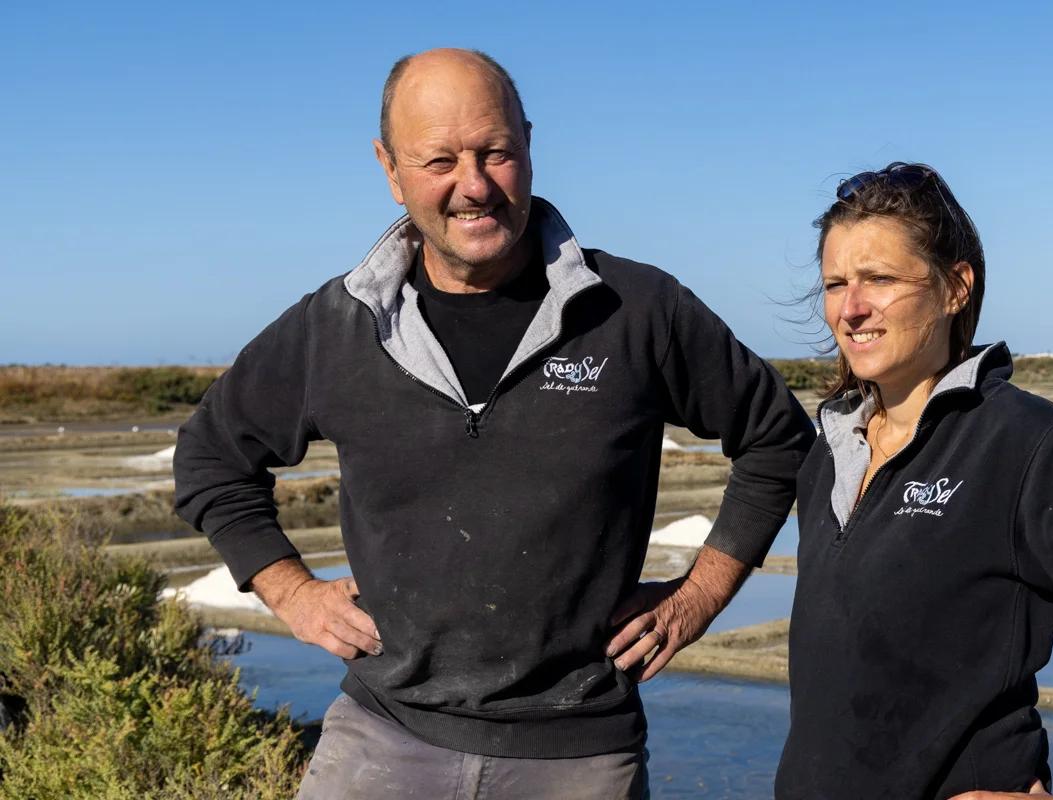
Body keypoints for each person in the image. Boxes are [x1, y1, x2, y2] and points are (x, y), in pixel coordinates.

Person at [173, 48, 815, 798]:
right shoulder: (337, 326)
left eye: (495, 152)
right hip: (380, 739)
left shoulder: (635, 311)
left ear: (529, 145)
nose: (473, 186)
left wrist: (698, 596)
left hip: (579, 755)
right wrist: (290, 590)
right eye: (438, 159)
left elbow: (778, 440)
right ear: (389, 168)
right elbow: (211, 456)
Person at [775, 163, 1053, 799]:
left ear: (955, 287)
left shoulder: (1023, 442)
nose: (851, 308)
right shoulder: (831, 450)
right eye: (835, 283)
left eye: (878, 279)